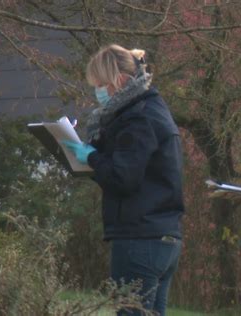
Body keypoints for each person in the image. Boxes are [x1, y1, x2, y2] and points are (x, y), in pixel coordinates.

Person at [64, 44, 185, 316]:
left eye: (100, 84)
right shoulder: (154, 109)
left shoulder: (136, 119)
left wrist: (92, 158)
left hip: (139, 237)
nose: (97, 91)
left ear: (118, 81)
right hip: (165, 236)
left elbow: (122, 178)